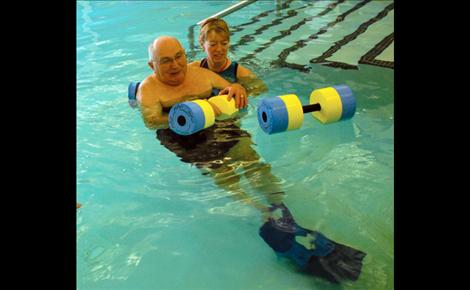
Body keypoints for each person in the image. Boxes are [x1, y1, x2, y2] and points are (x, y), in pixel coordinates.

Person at [138, 35, 366, 284]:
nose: (175, 65)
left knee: (250, 159)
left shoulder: (198, 74)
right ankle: (262, 214)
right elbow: (151, 121)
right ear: (152, 66)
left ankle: (280, 209)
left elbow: (238, 87)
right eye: (166, 61)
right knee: (224, 172)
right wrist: (187, 113)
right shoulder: (148, 89)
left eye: (179, 56)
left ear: (185, 54)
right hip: (181, 136)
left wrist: (235, 89)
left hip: (217, 124)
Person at [189, 17, 267, 105]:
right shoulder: (195, 69)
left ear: (229, 43)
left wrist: (241, 94)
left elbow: (261, 89)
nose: (219, 49)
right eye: (213, 44)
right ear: (202, 44)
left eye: (224, 43)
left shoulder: (239, 72)